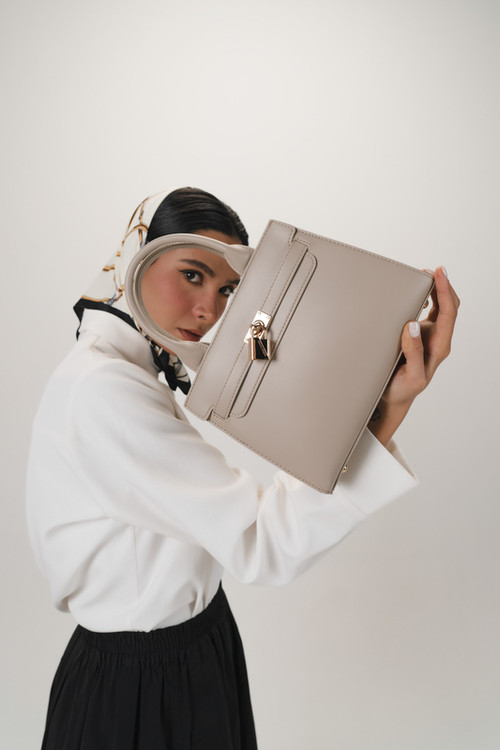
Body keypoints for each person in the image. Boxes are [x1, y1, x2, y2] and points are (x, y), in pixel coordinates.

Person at [26, 187, 460, 750]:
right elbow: (262, 541)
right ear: (137, 257)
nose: (210, 310)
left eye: (228, 288)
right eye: (192, 275)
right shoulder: (102, 390)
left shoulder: (124, 372)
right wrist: (388, 408)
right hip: (140, 687)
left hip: (192, 651)